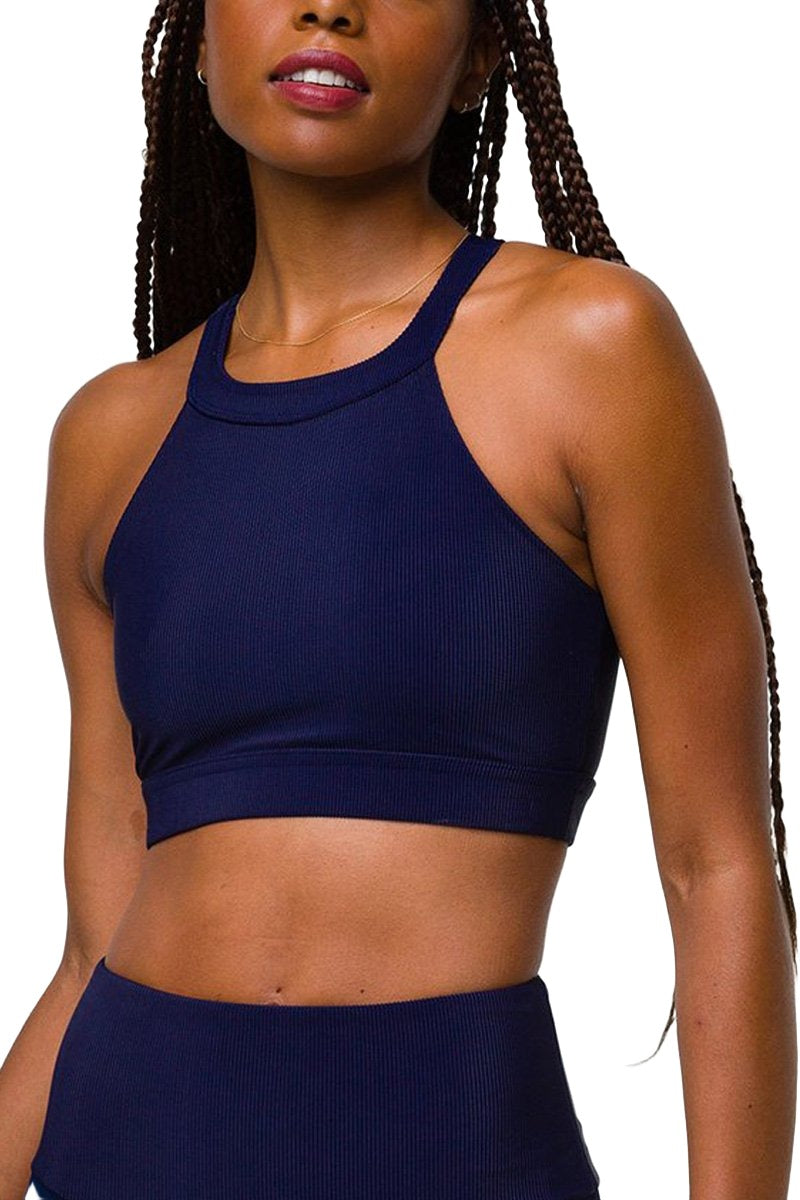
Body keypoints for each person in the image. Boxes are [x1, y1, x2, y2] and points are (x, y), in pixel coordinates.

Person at [0, 0, 795, 1197]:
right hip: (126, 1145)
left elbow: (714, 865)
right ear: (199, 38)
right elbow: (89, 946)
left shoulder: (590, 347)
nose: (328, 7)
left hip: (451, 1154)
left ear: (480, 57)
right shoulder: (110, 436)